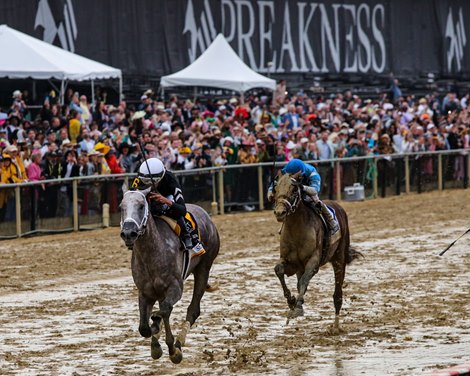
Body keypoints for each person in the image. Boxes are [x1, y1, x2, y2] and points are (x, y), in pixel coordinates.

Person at [267, 158, 340, 242]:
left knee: (315, 200)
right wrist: (270, 193)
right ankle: (285, 224)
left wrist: (302, 187)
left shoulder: (312, 173)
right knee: (288, 202)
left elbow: (315, 190)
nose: (291, 177)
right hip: (293, 189)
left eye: (294, 175)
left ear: (300, 173)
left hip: (308, 189)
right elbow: (274, 185)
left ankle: (331, 221)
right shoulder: (285, 171)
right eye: (290, 175)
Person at [134, 157, 193, 250]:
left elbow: (183, 210)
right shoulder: (141, 177)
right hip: (147, 196)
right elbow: (132, 193)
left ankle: (185, 234)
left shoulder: (170, 179)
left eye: (151, 182)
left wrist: (165, 200)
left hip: (166, 197)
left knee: (173, 209)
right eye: (146, 182)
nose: (148, 185)